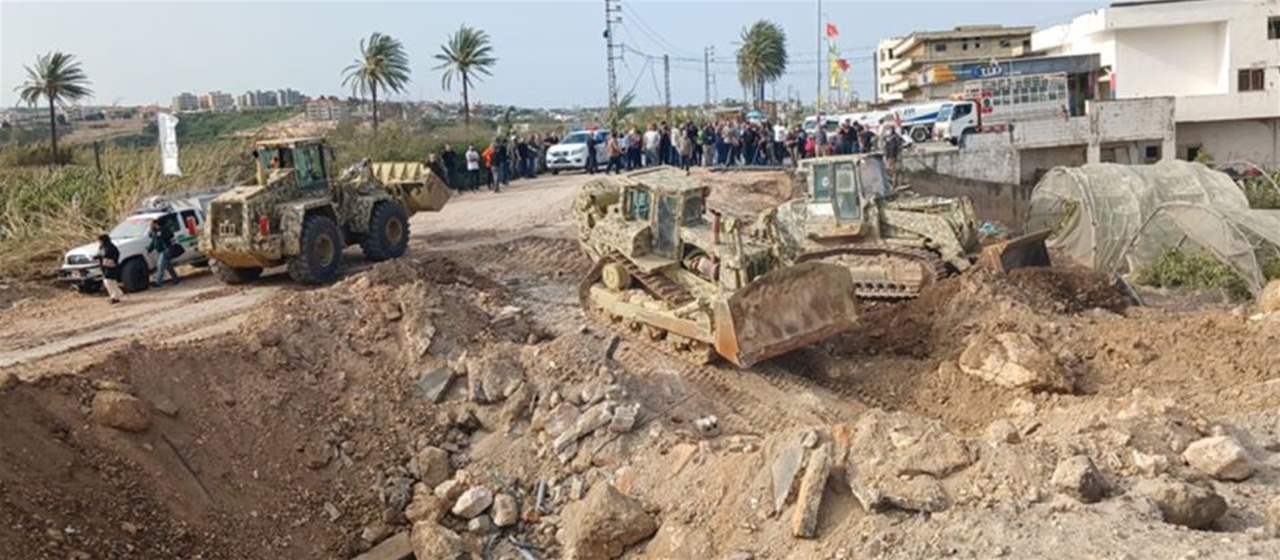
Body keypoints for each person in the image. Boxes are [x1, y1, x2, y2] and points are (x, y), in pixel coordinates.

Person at [147, 220, 179, 287]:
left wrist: (161, 234)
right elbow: (154, 242)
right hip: (160, 251)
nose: (150, 226)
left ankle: (158, 282)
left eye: (151, 224)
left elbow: (169, 236)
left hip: (165, 250)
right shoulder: (155, 232)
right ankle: (176, 279)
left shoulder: (163, 230)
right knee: (168, 267)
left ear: (156, 224)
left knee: (160, 266)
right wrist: (149, 249)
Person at [98, 234, 123, 303]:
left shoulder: (111, 247)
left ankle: (115, 297)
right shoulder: (101, 247)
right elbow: (100, 254)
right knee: (109, 281)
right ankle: (117, 294)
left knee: (109, 281)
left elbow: (115, 255)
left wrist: (113, 261)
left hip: (111, 266)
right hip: (104, 266)